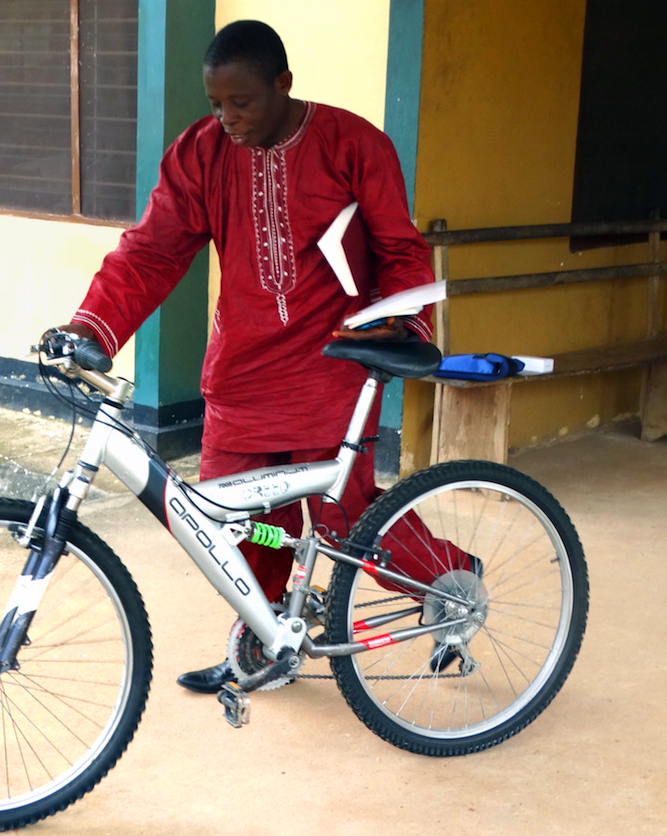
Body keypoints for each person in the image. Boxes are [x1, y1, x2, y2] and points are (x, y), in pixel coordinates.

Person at [52, 20, 459, 694]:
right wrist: (95, 326)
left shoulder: (354, 144)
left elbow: (399, 247)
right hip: (240, 371)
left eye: (240, 102)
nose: (226, 118)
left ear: (283, 84)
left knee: (343, 518)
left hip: (332, 365)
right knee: (227, 523)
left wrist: (405, 323)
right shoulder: (199, 153)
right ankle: (266, 638)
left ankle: (448, 584)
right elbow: (152, 250)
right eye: (215, 104)